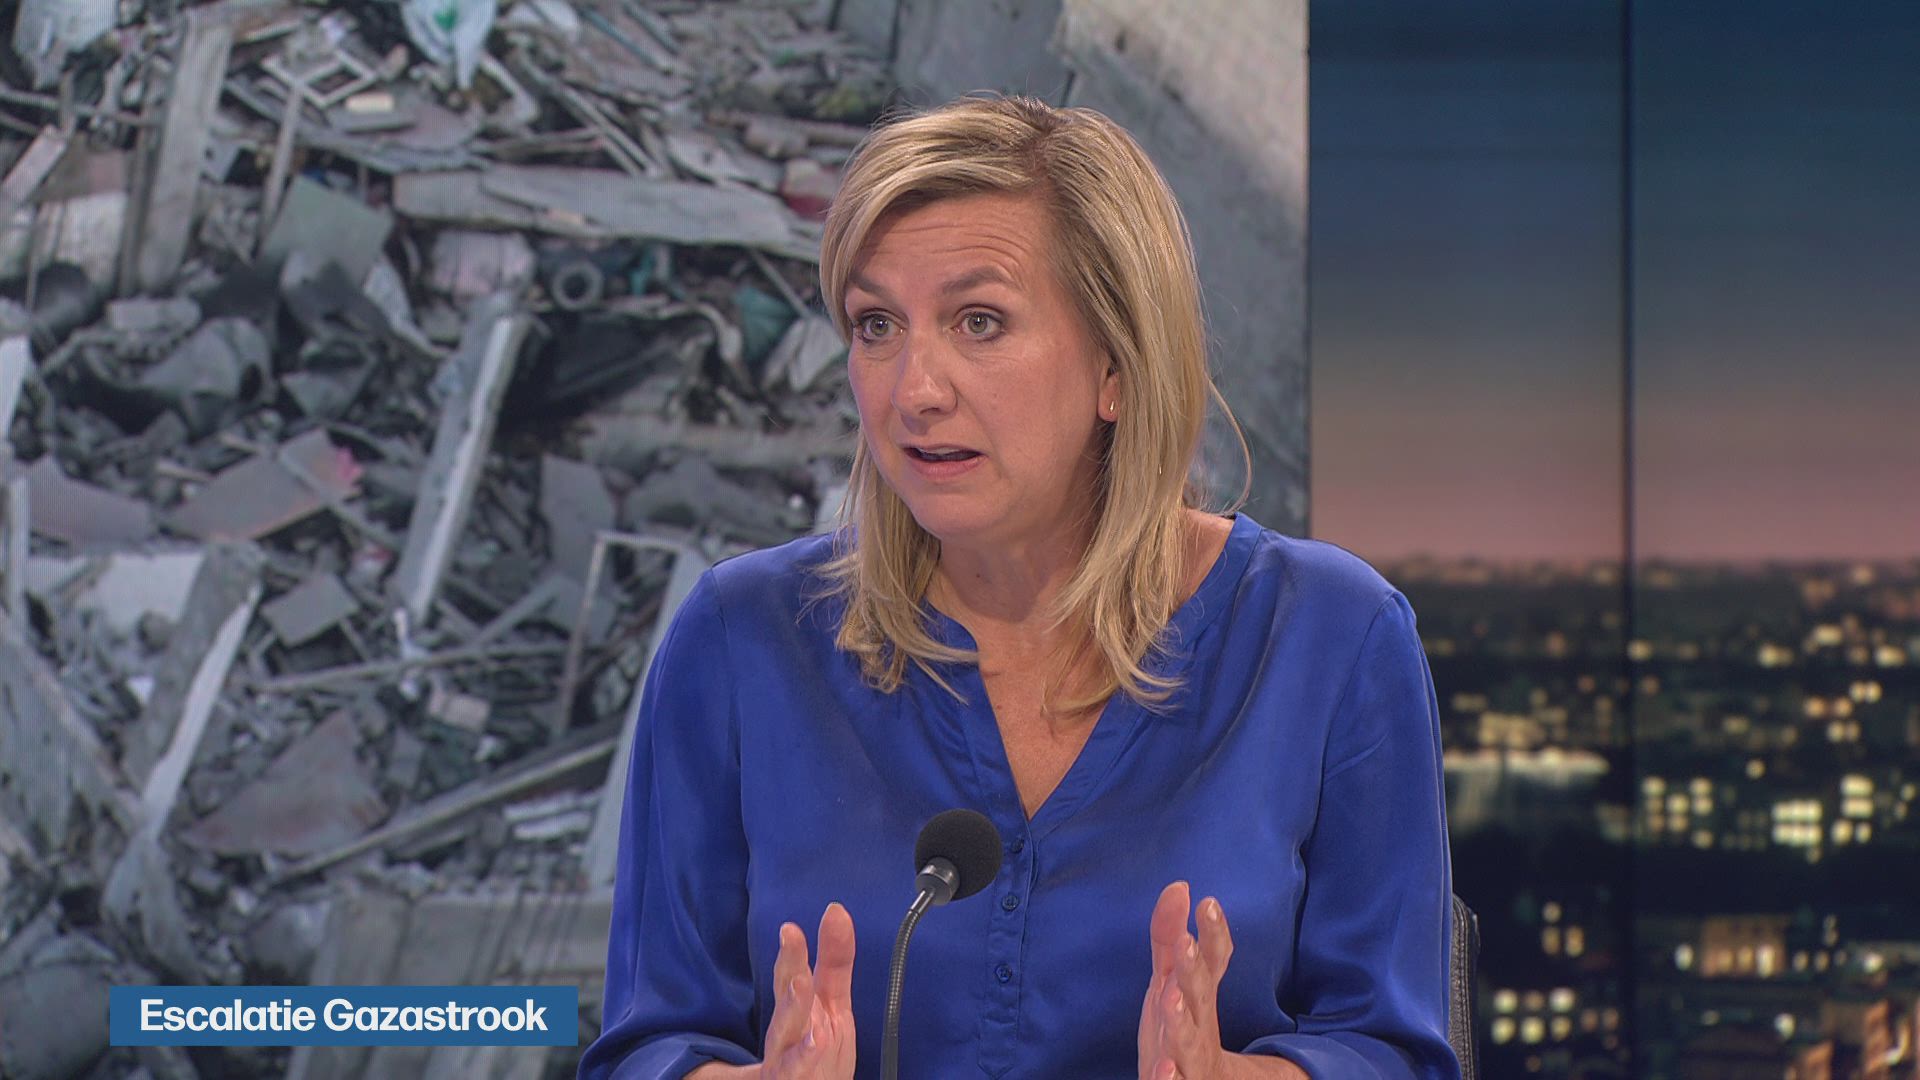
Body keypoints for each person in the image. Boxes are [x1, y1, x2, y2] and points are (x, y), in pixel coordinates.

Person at [580, 95, 1458, 1080]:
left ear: (1117, 366)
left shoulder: (1332, 639)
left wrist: (1236, 1079)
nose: (914, 390)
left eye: (980, 322)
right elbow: (650, 1044)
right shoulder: (741, 639)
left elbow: (1391, 1050)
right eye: (877, 324)